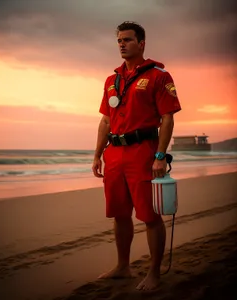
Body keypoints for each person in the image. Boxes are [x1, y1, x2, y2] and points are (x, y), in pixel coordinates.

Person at [92, 21, 181, 291]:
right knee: (119, 214)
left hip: (143, 151)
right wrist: (97, 156)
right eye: (119, 40)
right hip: (115, 154)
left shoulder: (159, 75)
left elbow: (167, 120)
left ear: (141, 43)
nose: (122, 44)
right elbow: (105, 122)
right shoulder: (111, 80)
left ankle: (154, 273)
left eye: (128, 40)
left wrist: (159, 156)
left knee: (150, 216)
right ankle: (123, 266)